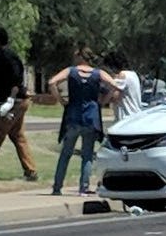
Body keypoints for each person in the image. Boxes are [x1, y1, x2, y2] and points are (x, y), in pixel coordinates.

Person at [48, 47, 119, 196]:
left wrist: (61, 100)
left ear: (80, 57)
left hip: (73, 115)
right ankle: (84, 188)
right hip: (91, 117)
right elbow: (113, 85)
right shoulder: (98, 73)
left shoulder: (71, 71)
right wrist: (103, 101)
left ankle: (57, 187)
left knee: (66, 153)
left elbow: (52, 82)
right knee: (87, 155)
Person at [0, 26, 37, 181]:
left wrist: (9, 101)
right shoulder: (6, 55)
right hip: (18, 101)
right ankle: (31, 171)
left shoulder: (6, 56)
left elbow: (16, 80)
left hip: (13, 102)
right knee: (17, 136)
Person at [103, 51, 143, 120]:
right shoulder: (133, 74)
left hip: (126, 117)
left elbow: (114, 96)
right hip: (136, 114)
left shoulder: (122, 75)